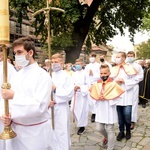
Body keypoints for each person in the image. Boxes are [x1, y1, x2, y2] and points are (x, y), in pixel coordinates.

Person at [0, 36, 58, 150]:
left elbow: (40, 105)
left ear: (30, 52)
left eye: (20, 52)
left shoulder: (43, 76)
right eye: (15, 53)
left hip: (35, 133)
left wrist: (14, 96)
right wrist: (6, 114)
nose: (17, 56)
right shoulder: (17, 75)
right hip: (16, 131)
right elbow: (5, 100)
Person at [90, 64, 124, 150]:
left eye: (105, 73)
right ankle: (107, 137)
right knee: (99, 128)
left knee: (110, 129)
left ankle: (110, 148)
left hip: (109, 109)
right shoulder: (96, 84)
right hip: (100, 109)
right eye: (101, 73)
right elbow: (92, 96)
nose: (103, 75)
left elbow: (120, 97)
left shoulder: (113, 84)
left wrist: (108, 99)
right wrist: (98, 98)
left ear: (109, 73)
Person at [110, 51, 138, 141]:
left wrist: (125, 81)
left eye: (118, 57)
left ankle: (128, 131)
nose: (117, 58)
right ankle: (121, 131)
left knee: (127, 114)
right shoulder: (113, 69)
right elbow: (110, 81)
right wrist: (116, 82)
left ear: (123, 58)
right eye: (116, 57)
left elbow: (135, 80)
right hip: (118, 96)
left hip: (127, 95)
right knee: (120, 115)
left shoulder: (130, 68)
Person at [49, 53, 74, 150]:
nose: (54, 64)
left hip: (61, 108)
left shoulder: (66, 76)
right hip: (49, 107)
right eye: (52, 62)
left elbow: (69, 93)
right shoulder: (48, 75)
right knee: (51, 131)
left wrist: (55, 89)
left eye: (56, 62)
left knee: (61, 131)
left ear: (62, 63)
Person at [0, 46, 16, 150]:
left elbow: (11, 92)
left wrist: (6, 111)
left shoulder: (7, 68)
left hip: (2, 110)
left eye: (1, 50)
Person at [71, 58, 89, 135]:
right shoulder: (74, 73)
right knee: (73, 109)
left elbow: (88, 84)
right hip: (75, 94)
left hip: (82, 94)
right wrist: (73, 87)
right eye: (76, 64)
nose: (77, 65)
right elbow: (71, 83)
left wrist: (80, 87)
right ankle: (79, 122)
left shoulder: (85, 73)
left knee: (82, 111)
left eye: (79, 64)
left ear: (82, 64)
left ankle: (82, 127)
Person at [126, 51, 143, 130]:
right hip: (126, 86)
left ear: (134, 56)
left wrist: (134, 79)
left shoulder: (138, 66)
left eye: (131, 56)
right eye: (128, 56)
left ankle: (132, 120)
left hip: (134, 86)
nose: (130, 57)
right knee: (126, 103)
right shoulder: (125, 65)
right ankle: (126, 118)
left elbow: (141, 76)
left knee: (134, 103)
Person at [85, 52, 100, 122]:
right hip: (88, 84)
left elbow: (100, 75)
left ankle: (95, 113)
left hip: (95, 83)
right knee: (90, 99)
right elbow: (85, 75)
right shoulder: (87, 66)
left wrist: (93, 74)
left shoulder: (98, 65)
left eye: (93, 56)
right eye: (91, 56)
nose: (92, 58)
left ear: (95, 57)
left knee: (95, 99)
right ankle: (92, 111)